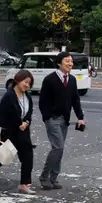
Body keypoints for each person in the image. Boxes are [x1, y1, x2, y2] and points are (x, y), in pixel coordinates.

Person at [0, 69, 36, 194]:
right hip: (9, 132)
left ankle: (23, 184)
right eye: (25, 82)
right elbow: (1, 116)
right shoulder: (8, 96)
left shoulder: (28, 96)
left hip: (23, 132)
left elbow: (29, 112)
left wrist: (26, 122)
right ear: (17, 80)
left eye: (29, 84)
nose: (27, 85)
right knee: (2, 157)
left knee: (28, 157)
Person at [38, 51, 85, 190]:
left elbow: (75, 99)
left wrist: (80, 117)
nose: (70, 64)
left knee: (59, 149)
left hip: (65, 119)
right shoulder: (49, 79)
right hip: (52, 119)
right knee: (58, 147)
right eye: (67, 61)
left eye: (71, 61)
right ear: (59, 63)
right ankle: (44, 176)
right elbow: (42, 101)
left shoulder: (71, 79)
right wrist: (47, 117)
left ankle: (53, 178)